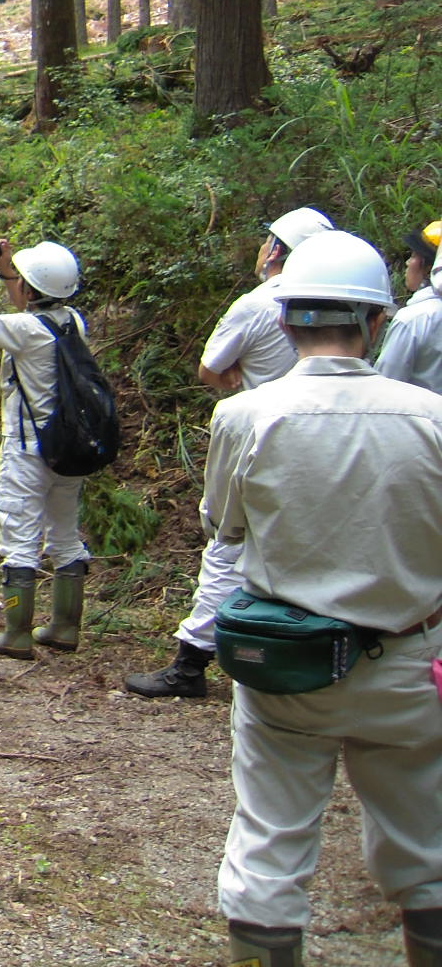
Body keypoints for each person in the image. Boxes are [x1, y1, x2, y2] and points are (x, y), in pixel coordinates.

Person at [201, 230, 442, 967]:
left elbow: (223, 526)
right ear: (378, 322)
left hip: (287, 667)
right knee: (428, 848)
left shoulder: (245, 416)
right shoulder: (432, 419)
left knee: (270, 840)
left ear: (283, 319)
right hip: (410, 666)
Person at [127, 206, 334, 700]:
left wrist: (236, 382)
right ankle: (297, 652)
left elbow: (210, 370)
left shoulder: (257, 304)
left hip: (256, 434)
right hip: (320, 439)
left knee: (227, 543)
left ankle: (191, 662)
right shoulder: (331, 302)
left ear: (277, 250)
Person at [0, 237, 93, 661]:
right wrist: (11, 272)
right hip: (69, 448)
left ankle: (16, 630)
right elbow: (29, 308)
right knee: (65, 536)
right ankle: (66, 627)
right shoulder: (73, 322)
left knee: (19, 540)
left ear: (33, 290)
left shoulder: (26, 331)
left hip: (27, 448)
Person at [377, 219, 442, 394]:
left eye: (413, 256)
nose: (407, 262)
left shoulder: (413, 319)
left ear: (429, 267)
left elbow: (386, 384)